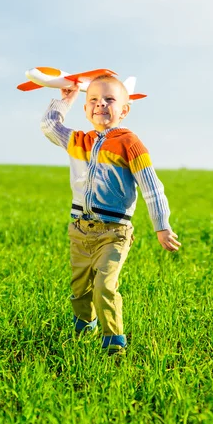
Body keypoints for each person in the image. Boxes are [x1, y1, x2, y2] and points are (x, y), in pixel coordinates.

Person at [41, 75, 180, 355]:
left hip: (114, 231)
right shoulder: (78, 140)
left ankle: (114, 342)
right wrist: (66, 99)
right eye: (93, 99)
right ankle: (83, 327)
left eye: (109, 99)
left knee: (104, 285)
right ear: (85, 108)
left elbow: (151, 185)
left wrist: (161, 226)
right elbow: (49, 126)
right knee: (80, 290)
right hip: (80, 229)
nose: (100, 104)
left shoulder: (129, 143)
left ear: (124, 110)